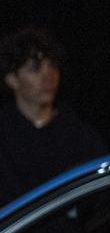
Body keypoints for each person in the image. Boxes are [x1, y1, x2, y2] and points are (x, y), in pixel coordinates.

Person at [0, 28, 104, 207]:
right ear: (12, 79)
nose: (48, 76)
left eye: (52, 66)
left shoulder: (78, 134)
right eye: (35, 69)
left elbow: (104, 199)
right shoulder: (5, 139)